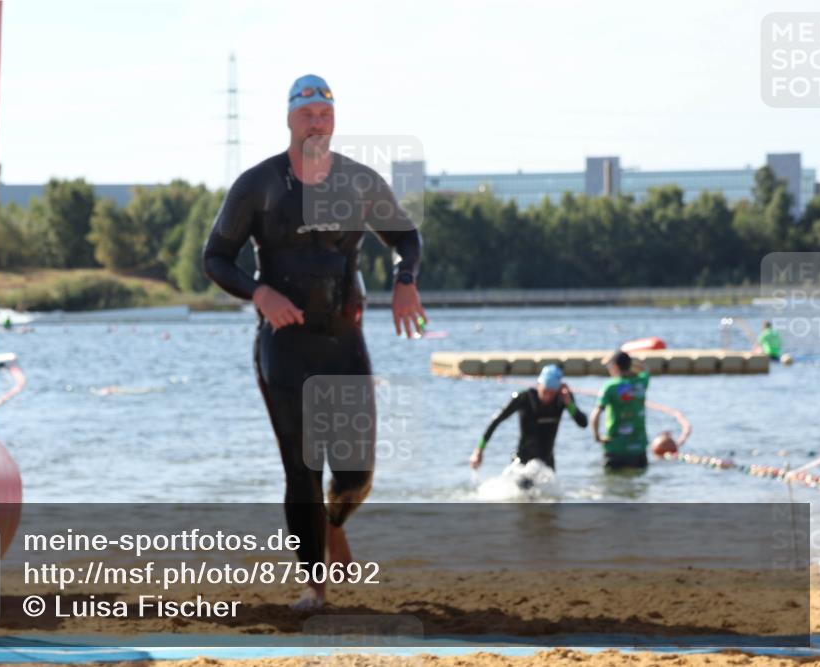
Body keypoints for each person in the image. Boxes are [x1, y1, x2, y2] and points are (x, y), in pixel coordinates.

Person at [202, 74, 426, 611]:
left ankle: (333, 523)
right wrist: (259, 294)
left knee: (356, 474)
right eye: (307, 114)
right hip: (284, 345)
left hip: (344, 342)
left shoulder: (358, 181)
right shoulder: (258, 184)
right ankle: (314, 585)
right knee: (302, 467)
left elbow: (406, 237)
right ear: (288, 119)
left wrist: (405, 280)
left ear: (334, 119)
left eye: (324, 113)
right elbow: (215, 257)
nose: (316, 122)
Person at [470, 364, 587, 471]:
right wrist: (478, 450)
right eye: (545, 391)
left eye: (552, 392)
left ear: (558, 390)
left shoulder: (563, 399)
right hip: (522, 462)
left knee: (549, 494)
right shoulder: (524, 398)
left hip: (546, 462)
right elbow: (496, 421)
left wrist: (569, 404)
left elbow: (583, 423)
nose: (548, 396)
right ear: (539, 385)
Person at [590, 351, 650, 470]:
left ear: (615, 367)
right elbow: (645, 369)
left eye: (609, 366)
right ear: (629, 365)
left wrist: (597, 436)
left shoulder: (610, 386)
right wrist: (628, 361)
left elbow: (595, 414)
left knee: (612, 485)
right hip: (638, 447)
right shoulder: (641, 382)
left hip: (615, 447)